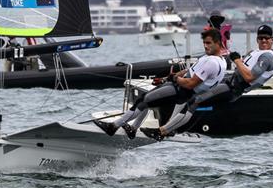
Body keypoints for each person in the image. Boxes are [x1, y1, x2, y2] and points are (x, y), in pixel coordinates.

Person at [142, 24, 273, 138]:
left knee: (194, 102)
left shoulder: (267, 58)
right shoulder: (257, 52)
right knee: (188, 94)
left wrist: (237, 60)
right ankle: (169, 127)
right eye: (261, 38)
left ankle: (162, 131)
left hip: (232, 89)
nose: (264, 41)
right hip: (227, 82)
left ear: (272, 39)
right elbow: (243, 67)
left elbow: (249, 77)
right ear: (257, 39)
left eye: (267, 38)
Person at [94, 28, 226, 138]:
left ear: (218, 43)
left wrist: (175, 79)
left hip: (181, 91)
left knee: (144, 101)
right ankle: (133, 129)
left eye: (209, 43)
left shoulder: (211, 62)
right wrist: (168, 78)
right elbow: (190, 71)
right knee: (145, 100)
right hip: (178, 89)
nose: (205, 46)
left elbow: (191, 83)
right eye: (204, 43)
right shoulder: (220, 60)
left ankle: (113, 127)